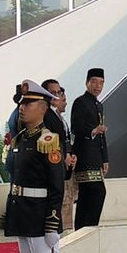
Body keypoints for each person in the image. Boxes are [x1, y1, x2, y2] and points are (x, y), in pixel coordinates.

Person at [4, 79, 65, 253]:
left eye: (27, 103)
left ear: (43, 108)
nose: (22, 107)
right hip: (22, 215)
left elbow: (56, 184)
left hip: (40, 217)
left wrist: (51, 224)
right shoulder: (20, 139)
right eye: (21, 103)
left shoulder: (48, 140)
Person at [71, 68, 109, 230]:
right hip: (85, 156)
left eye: (101, 83)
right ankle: (84, 228)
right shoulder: (80, 102)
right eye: (94, 82)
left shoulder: (98, 105)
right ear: (86, 82)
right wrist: (93, 130)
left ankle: (88, 228)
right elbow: (76, 128)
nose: (97, 86)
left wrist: (105, 159)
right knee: (95, 192)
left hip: (96, 158)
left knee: (93, 194)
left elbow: (102, 135)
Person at [42, 79, 77, 230]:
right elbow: (52, 141)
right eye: (53, 93)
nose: (57, 96)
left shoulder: (55, 114)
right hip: (54, 164)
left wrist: (70, 154)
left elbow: (64, 139)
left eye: (59, 92)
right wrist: (63, 157)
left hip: (64, 162)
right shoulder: (46, 114)